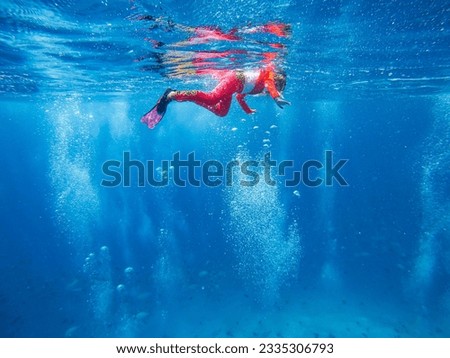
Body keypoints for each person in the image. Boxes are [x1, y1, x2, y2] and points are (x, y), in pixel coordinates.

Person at [141, 65, 290, 129]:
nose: (277, 84)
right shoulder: (268, 76)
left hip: (234, 87)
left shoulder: (259, 88)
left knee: (222, 112)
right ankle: (172, 95)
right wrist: (276, 97)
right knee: (212, 98)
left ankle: (190, 98)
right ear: (277, 76)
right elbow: (270, 83)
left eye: (280, 86)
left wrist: (247, 110)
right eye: (279, 82)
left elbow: (240, 97)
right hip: (234, 79)